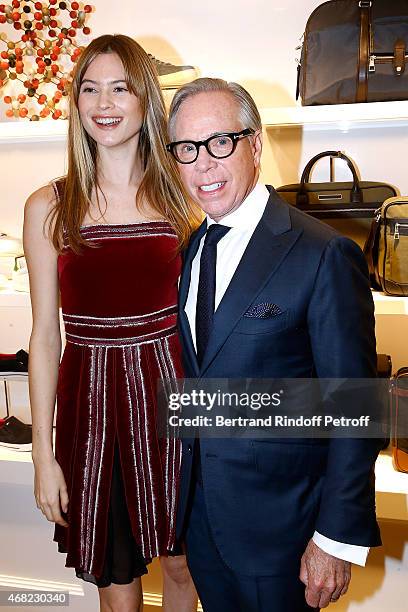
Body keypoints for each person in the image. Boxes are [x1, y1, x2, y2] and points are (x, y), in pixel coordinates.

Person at [165, 77, 382, 612]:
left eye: (220, 142)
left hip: (286, 531)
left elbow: (353, 403)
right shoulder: (192, 250)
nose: (204, 164)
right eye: (187, 149)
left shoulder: (322, 252)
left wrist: (335, 538)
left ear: (255, 143)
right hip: (204, 522)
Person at [23, 34, 200, 612]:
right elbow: (45, 337)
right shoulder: (49, 205)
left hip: (172, 399)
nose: (104, 103)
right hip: (89, 409)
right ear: (76, 104)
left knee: (183, 562)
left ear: (145, 98)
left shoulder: (184, 197)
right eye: (90, 89)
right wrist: (42, 454)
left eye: (120, 88)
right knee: (114, 574)